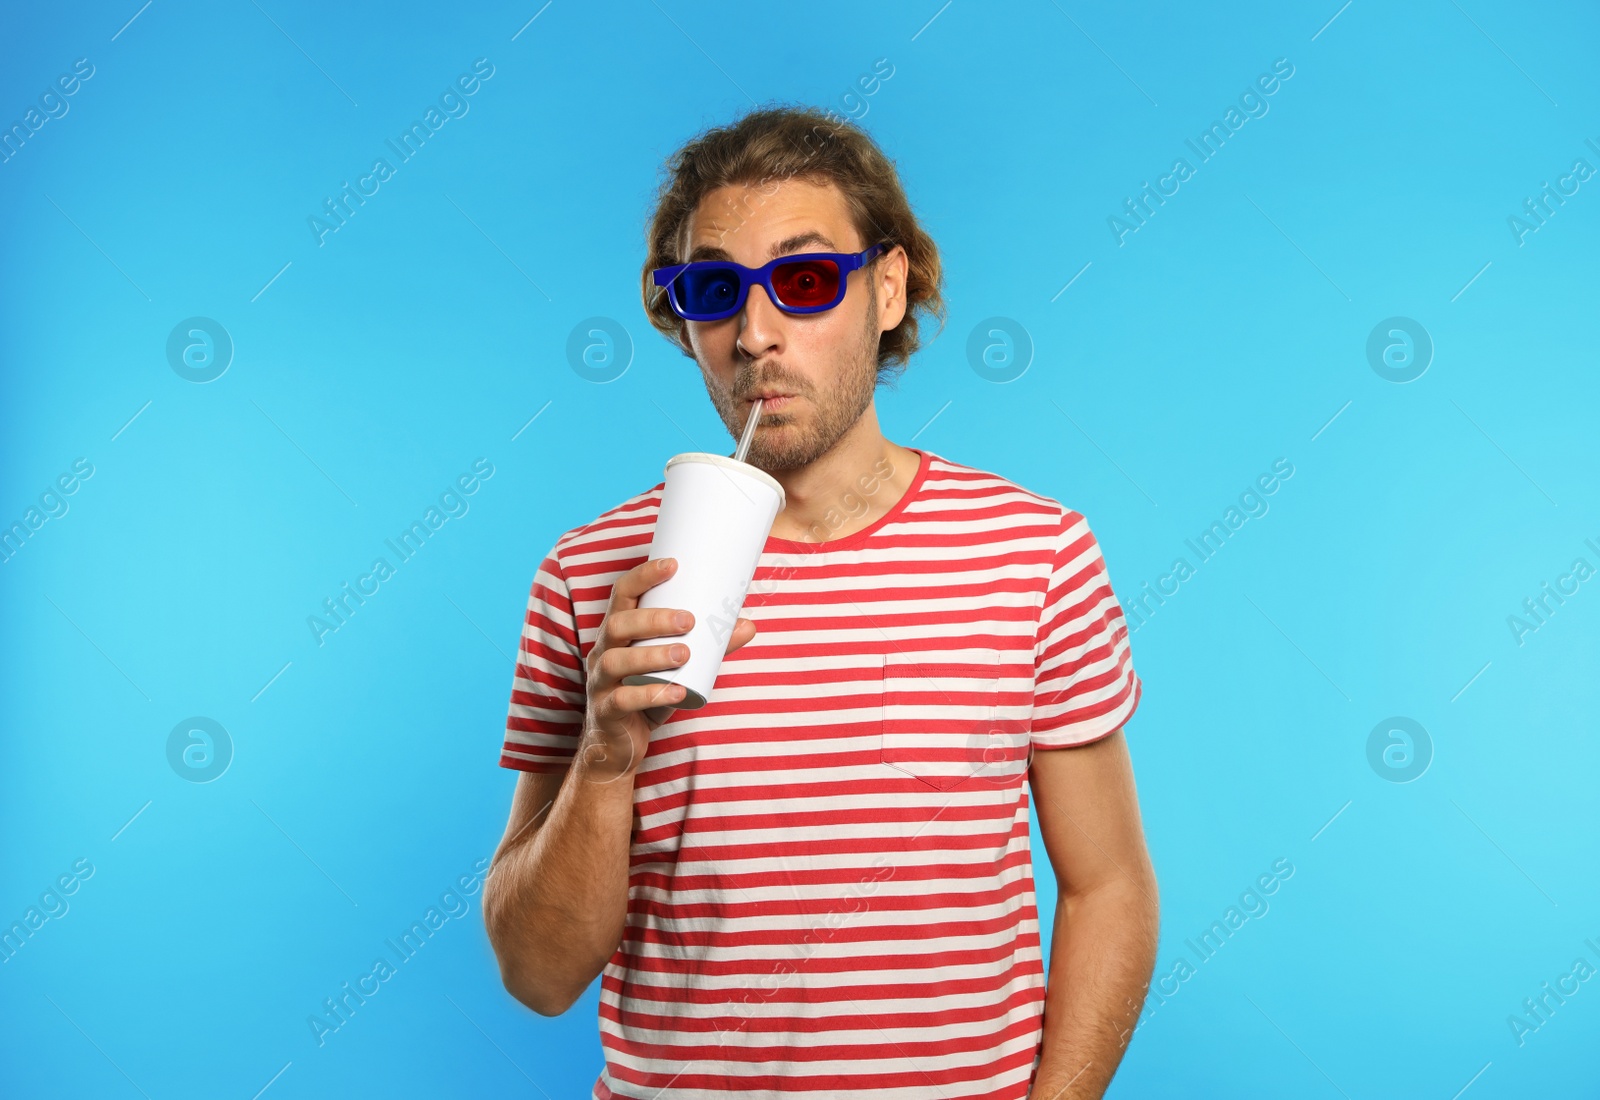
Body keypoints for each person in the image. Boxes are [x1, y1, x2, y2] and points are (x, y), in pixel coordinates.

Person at [483, 104, 1156, 1100]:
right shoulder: (592, 575)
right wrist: (606, 751)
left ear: (887, 287)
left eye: (801, 281)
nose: (757, 333)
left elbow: (1109, 885)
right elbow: (539, 975)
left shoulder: (1034, 553)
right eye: (715, 289)